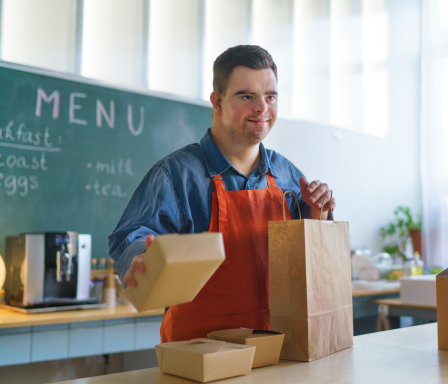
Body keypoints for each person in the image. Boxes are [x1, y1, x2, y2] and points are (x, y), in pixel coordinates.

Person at [108, 45, 336, 343]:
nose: (262, 108)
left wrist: (319, 214)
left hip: (280, 349)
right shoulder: (176, 175)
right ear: (217, 102)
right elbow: (131, 237)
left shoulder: (289, 175)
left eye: (270, 96)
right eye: (246, 96)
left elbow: (309, 263)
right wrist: (144, 258)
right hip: (200, 358)